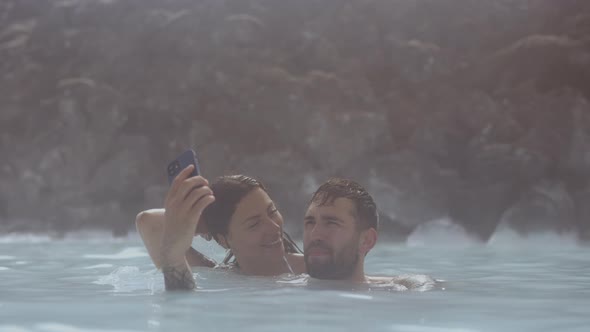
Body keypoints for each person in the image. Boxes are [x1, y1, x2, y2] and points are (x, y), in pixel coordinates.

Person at [136, 165, 305, 290]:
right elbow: (148, 222)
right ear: (224, 240)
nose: (274, 226)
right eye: (254, 224)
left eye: (272, 211)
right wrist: (203, 221)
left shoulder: (310, 268)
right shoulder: (221, 276)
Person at [303, 178, 435, 289]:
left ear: (367, 240)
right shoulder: (286, 286)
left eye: (331, 223)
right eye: (310, 222)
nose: (315, 235)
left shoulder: (398, 292)